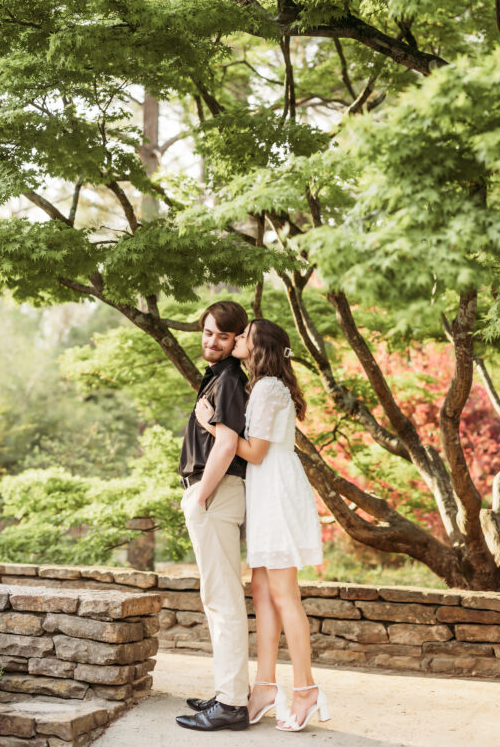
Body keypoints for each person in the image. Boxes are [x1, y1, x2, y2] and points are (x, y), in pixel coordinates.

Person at [195, 318, 330, 733]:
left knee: (284, 594)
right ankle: (265, 686)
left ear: (259, 346)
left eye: (244, 335)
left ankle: (306, 690)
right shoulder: (265, 386)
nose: (236, 340)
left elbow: (254, 452)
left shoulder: (270, 387)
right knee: (262, 590)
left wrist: (210, 422)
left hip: (276, 492)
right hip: (266, 491)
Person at [175, 300, 251, 733]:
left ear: (238, 339)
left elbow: (226, 445)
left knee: (222, 600)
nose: (212, 341)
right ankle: (227, 692)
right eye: (208, 332)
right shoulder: (219, 378)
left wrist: (200, 496)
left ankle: (232, 704)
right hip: (211, 493)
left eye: (223, 336)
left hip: (214, 492)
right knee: (217, 597)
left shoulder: (228, 381)